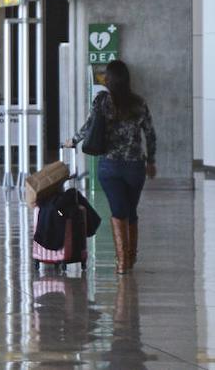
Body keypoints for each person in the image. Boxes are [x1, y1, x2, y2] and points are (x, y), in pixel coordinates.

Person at [65, 60, 156, 274]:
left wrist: (73, 140)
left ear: (109, 79)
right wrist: (151, 161)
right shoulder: (139, 103)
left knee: (118, 210)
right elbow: (150, 134)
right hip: (135, 167)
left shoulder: (102, 101)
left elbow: (89, 127)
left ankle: (123, 262)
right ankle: (130, 258)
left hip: (110, 167)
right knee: (130, 210)